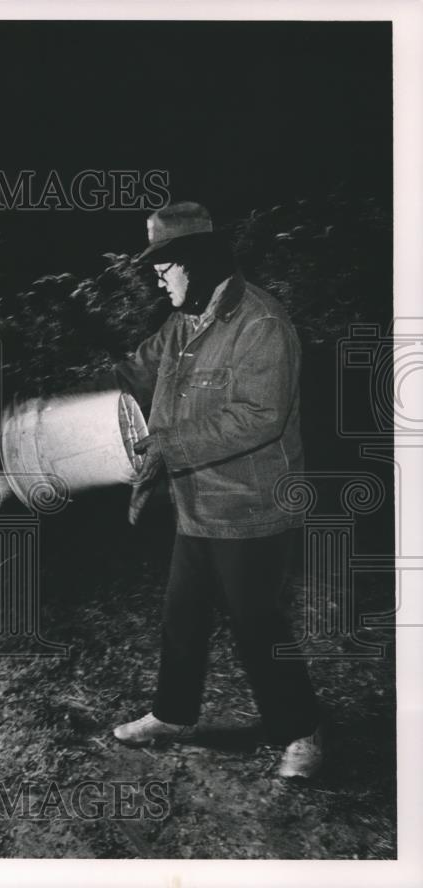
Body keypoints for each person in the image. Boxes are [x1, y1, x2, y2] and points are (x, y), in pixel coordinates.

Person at [110, 201, 323, 779]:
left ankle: (301, 734)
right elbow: (136, 370)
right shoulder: (183, 323)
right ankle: (172, 715)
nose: (158, 277)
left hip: (252, 505)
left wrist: (167, 445)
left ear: (198, 262)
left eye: (166, 265)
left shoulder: (261, 324)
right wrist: (72, 402)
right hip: (197, 502)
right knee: (182, 615)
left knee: (256, 623)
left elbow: (260, 416)